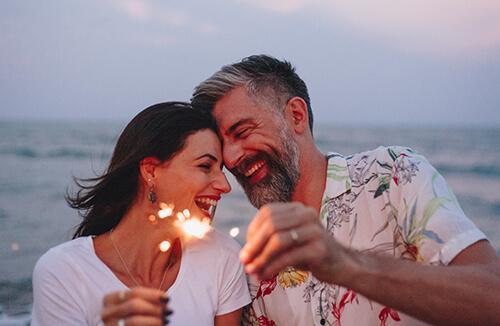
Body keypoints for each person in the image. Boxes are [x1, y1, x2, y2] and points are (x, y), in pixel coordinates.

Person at [191, 55, 500, 325]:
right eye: (223, 146)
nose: (231, 159)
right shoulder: (257, 267)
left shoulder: (391, 176)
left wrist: (346, 265)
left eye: (242, 132)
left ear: (296, 116)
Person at [31, 102, 251, 325]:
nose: (225, 185)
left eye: (221, 170)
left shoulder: (222, 256)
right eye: (205, 166)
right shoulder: (64, 272)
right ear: (150, 171)